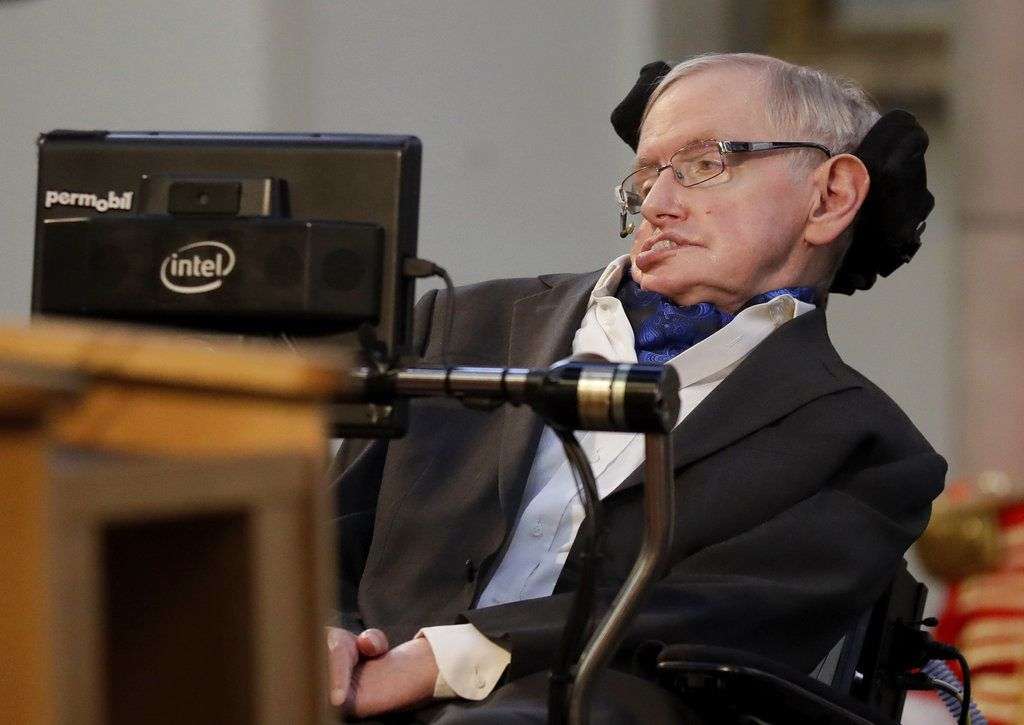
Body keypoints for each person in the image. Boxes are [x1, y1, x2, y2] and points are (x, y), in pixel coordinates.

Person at [327, 52, 946, 722]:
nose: (657, 203)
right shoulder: (458, 324)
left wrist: (436, 661)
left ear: (830, 197)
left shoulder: (868, 450)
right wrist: (321, 633)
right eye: (646, 175)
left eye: (704, 164)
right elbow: (320, 541)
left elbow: (697, 621)